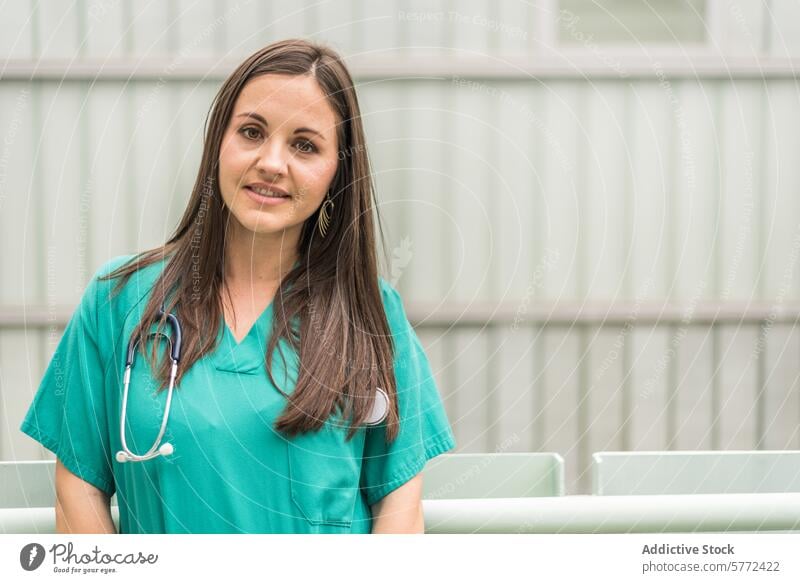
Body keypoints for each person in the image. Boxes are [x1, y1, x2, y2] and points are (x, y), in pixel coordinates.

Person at [20, 39, 455, 534]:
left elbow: (399, 509)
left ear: (337, 173)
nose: (272, 162)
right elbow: (77, 488)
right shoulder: (117, 301)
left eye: (305, 145)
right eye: (251, 132)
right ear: (217, 145)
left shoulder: (372, 313)